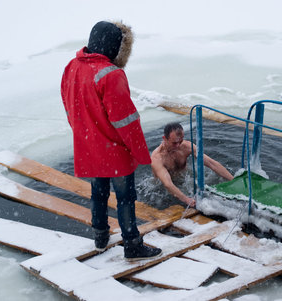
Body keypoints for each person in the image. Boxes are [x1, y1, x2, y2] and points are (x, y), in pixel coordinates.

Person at [61, 21, 161, 261]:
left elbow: (69, 105)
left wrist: (83, 133)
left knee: (98, 192)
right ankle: (132, 244)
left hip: (89, 146)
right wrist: (141, 153)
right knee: (125, 197)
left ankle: (100, 236)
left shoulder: (72, 66)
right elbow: (126, 121)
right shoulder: (111, 74)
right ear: (116, 46)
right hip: (114, 150)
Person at [151, 122, 234, 207]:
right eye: (174, 143)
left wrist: (233, 180)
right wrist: (186, 199)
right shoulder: (157, 158)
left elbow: (211, 163)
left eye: (180, 141)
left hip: (184, 180)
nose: (178, 145)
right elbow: (167, 184)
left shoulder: (187, 146)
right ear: (164, 138)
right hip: (163, 190)